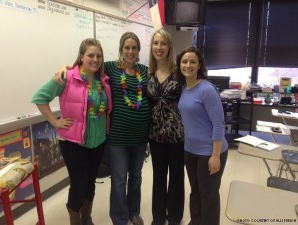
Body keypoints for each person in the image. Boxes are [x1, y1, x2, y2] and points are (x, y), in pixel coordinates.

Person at [54, 32, 150, 225]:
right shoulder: (111, 68)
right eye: (127, 47)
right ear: (121, 50)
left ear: (139, 50)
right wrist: (64, 67)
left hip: (140, 136)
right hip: (117, 137)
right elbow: (86, 66)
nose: (130, 51)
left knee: (137, 177)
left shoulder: (145, 71)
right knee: (119, 179)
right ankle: (119, 218)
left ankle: (134, 212)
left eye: (134, 48)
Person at [32, 38, 112, 225]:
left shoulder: (104, 81)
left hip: (98, 141)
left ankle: (87, 218)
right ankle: (75, 220)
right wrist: (55, 122)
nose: (95, 59)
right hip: (73, 143)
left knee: (90, 182)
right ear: (81, 57)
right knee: (78, 184)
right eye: (90, 55)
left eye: (98, 56)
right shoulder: (67, 78)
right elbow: (40, 98)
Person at [176, 46, 228, 225]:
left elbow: (219, 124)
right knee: (195, 191)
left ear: (199, 65)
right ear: (179, 65)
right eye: (184, 61)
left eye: (192, 62)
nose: (188, 65)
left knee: (209, 195)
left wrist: (215, 156)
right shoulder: (184, 89)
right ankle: (196, 221)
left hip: (209, 152)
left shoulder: (207, 90)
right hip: (190, 150)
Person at [146, 29, 184, 225]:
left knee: (176, 178)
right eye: (155, 43)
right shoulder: (148, 73)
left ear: (169, 47)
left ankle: (175, 218)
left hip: (177, 136)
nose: (159, 47)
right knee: (158, 178)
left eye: (163, 43)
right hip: (155, 136)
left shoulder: (179, 73)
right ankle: (158, 218)